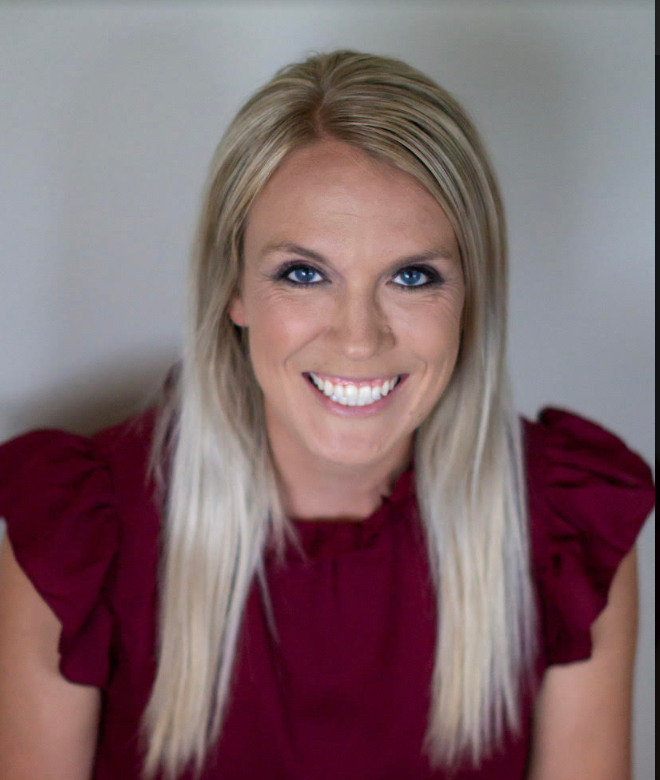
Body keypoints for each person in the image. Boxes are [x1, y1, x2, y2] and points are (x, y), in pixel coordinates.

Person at [0, 49, 654, 780]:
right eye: (304, 274)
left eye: (412, 276)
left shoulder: (566, 534)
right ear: (234, 291)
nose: (358, 337)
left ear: (469, 300)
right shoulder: (79, 540)